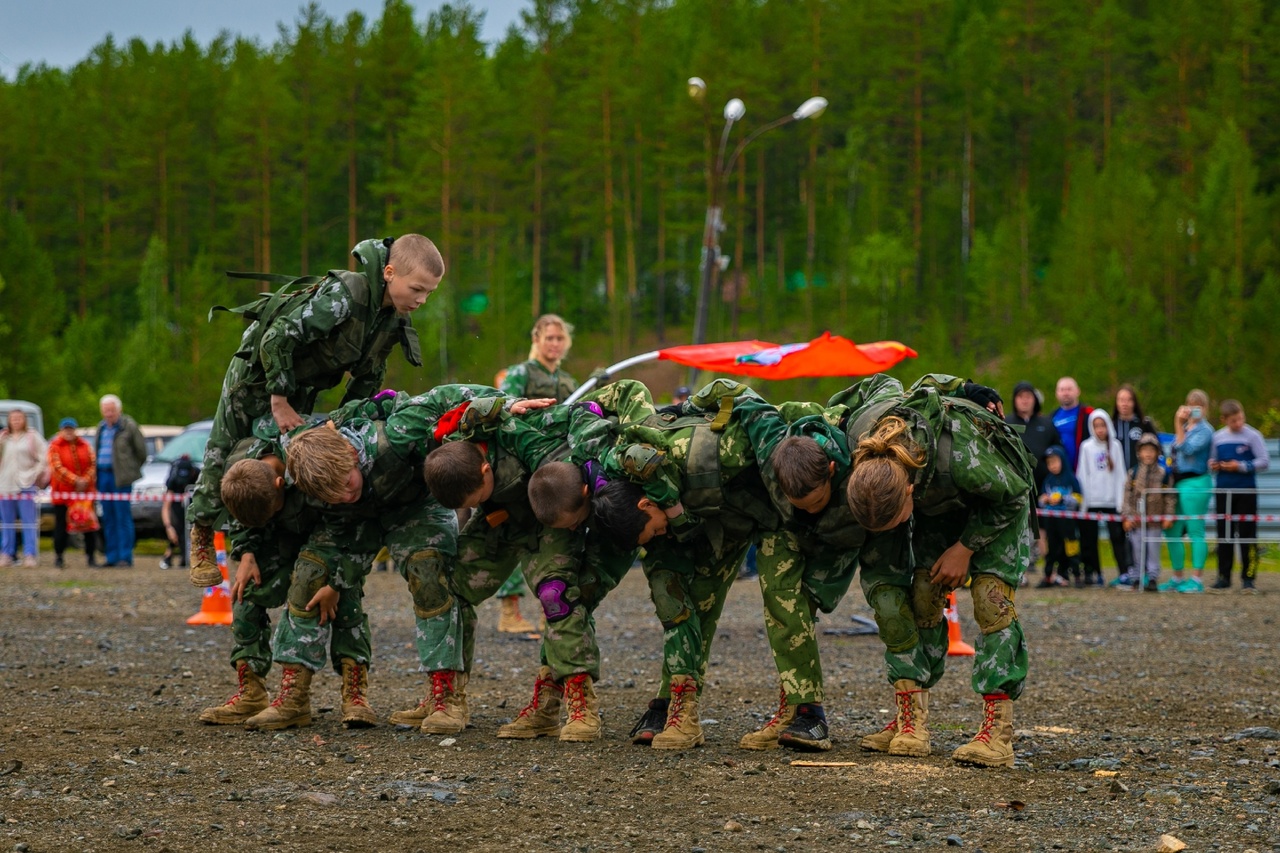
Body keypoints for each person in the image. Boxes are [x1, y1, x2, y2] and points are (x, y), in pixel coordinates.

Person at [186, 235, 444, 589]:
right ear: (388, 272)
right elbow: (278, 337)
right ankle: (200, 530)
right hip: (259, 375)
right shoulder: (347, 295)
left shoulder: (389, 320)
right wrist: (278, 399)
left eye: (429, 293)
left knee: (288, 458)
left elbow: (368, 378)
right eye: (417, 289)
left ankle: (271, 542)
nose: (421, 300)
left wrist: (346, 425)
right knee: (226, 450)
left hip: (299, 387)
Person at [842, 373, 1036, 768]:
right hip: (940, 505)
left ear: (910, 490)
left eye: (897, 521)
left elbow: (1013, 495)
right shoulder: (864, 442)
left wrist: (964, 550)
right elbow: (881, 386)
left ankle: (997, 734)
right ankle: (912, 720)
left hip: (996, 504)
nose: (896, 531)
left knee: (990, 600)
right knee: (924, 593)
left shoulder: (960, 454)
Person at [592, 379, 781, 751]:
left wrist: (693, 406)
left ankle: (682, 707)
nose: (655, 537)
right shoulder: (619, 476)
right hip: (684, 517)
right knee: (674, 606)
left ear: (647, 506)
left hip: (727, 520)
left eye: (651, 533)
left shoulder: (710, 456)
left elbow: (633, 388)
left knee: (704, 605)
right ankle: (671, 705)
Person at [494, 313, 579, 635]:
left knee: (556, 534)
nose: (555, 344)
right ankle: (509, 610)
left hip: (557, 465)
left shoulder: (570, 381)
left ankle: (550, 609)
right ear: (537, 340)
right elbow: (507, 408)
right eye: (549, 338)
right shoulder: (520, 373)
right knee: (517, 531)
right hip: (523, 464)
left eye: (560, 339)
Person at [1209, 400, 1270, 591]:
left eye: (1241, 418)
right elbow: (1210, 460)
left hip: (1245, 490)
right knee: (1224, 534)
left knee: (1247, 534)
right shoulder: (1217, 437)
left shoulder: (1253, 435)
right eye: (1234, 420)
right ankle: (1223, 576)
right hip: (1223, 491)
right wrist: (1214, 465)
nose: (1238, 423)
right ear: (1224, 420)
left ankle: (1248, 577)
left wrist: (1241, 466)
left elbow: (1264, 461)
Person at [1161, 389, 1214, 593]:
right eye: (1191, 404)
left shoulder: (1205, 430)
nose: (1193, 408)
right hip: (1179, 483)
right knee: (1172, 529)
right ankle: (1177, 576)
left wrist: (1177, 424)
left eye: (1198, 405)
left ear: (1205, 408)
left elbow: (1188, 449)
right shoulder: (1185, 427)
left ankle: (1197, 579)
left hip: (1196, 482)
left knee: (1195, 529)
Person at [1075, 410, 1130, 587]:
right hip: (1091, 502)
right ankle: (1094, 573)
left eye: (1102, 425)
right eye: (1096, 426)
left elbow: (1120, 475)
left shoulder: (1115, 446)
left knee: (1117, 539)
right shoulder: (1086, 447)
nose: (1100, 430)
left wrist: (1121, 503)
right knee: (1089, 540)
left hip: (1112, 501)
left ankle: (1124, 573)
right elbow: (1083, 475)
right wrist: (1083, 504)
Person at [92, 395, 146, 568]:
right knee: (108, 518)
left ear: (119, 410)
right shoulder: (101, 428)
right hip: (103, 476)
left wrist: (129, 471)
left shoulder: (128, 426)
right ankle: (111, 556)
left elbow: (141, 453)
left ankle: (125, 556)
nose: (108, 414)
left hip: (121, 478)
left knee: (122, 517)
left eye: (111, 410)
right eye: (106, 410)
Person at [1122, 433, 1175, 592]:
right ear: (1139, 452)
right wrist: (1127, 517)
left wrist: (1168, 515)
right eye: (1145, 450)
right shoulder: (1133, 473)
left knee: (1153, 549)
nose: (1148, 454)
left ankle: (1152, 578)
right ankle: (1137, 578)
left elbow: (1170, 497)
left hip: (1155, 521)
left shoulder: (1163, 473)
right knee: (1137, 548)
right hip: (1137, 521)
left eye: (1151, 450)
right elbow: (1127, 496)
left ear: (1157, 452)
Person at [46, 417, 100, 568]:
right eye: (66, 429)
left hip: (84, 494)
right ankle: (59, 556)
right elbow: (56, 468)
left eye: (71, 429)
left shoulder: (85, 445)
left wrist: (85, 480)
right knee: (61, 525)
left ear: (75, 430)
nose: (68, 432)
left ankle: (91, 557)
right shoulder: (55, 446)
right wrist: (75, 480)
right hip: (63, 495)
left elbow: (93, 464)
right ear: (61, 430)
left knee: (89, 526)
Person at [0, 409, 49, 567]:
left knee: (28, 521)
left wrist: (35, 473)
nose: (16, 421)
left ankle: (30, 554)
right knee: (7, 522)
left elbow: (45, 455)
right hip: (6, 483)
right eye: (13, 418)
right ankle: (7, 553)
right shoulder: (4, 438)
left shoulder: (32, 436)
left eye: (19, 418)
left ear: (24, 420)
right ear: (8, 421)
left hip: (26, 483)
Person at [1037, 446, 1083, 587]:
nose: (1053, 466)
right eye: (1049, 463)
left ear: (1062, 460)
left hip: (1067, 520)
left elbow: (1079, 499)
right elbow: (1041, 499)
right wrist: (1044, 499)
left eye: (1055, 462)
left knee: (1071, 548)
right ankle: (1049, 575)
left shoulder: (1070, 478)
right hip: (1052, 520)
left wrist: (1063, 498)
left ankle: (1076, 575)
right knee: (1052, 549)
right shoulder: (1048, 480)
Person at [1006, 381, 1058, 493]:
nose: (1025, 400)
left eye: (1028, 397)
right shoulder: (1005, 424)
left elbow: (1057, 450)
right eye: (1020, 396)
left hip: (1044, 486)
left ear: (1035, 399)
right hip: (1014, 485)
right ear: (1014, 400)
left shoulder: (1047, 424)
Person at [160, 454, 199, 570]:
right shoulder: (173, 479)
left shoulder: (198, 475)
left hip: (194, 503)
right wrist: (168, 527)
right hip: (178, 505)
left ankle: (187, 556)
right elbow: (166, 507)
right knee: (177, 526)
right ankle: (171, 554)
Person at [1111, 384, 1160, 472]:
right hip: (1117, 476)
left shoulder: (1144, 423)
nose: (1124, 404)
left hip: (1140, 476)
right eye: (1121, 400)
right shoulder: (1111, 425)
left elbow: (1157, 447)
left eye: (1128, 400)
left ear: (1134, 402)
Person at [1051, 377, 1094, 472]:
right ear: (1057, 393)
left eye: (1069, 389)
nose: (1065, 393)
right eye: (1062, 390)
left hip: (1084, 468)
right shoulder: (1052, 417)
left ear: (1078, 391)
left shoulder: (1088, 414)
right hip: (1060, 472)